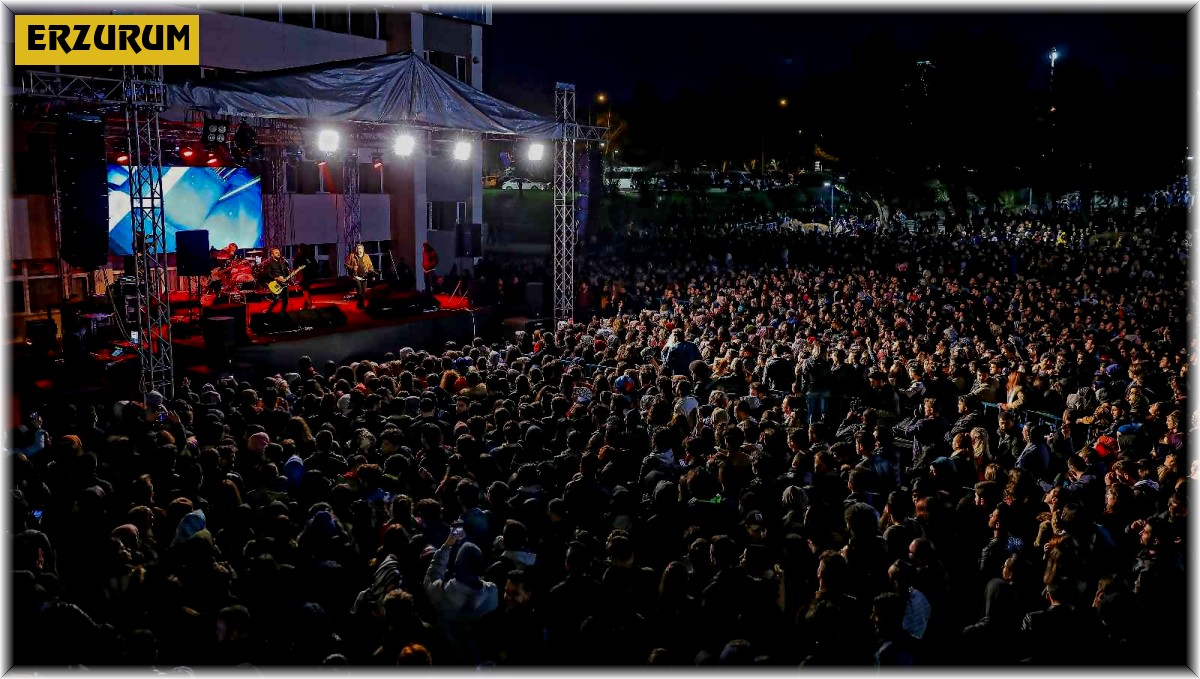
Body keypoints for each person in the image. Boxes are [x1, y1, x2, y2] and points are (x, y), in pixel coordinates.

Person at [263, 247, 292, 314]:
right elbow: (267, 274)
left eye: (279, 252)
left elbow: (287, 273)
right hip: (276, 284)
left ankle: (283, 313)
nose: (278, 254)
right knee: (276, 300)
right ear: (272, 255)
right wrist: (276, 278)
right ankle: (269, 311)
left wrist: (290, 274)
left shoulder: (283, 263)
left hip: (284, 284)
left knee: (286, 300)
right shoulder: (269, 263)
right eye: (276, 253)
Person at [345, 243, 375, 310]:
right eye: (358, 249)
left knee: (363, 292)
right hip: (356, 276)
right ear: (356, 250)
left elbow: (370, 266)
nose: (359, 250)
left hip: (364, 277)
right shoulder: (352, 256)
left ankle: (359, 305)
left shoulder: (366, 256)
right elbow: (346, 265)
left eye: (360, 249)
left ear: (363, 249)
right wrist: (352, 268)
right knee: (359, 291)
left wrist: (372, 275)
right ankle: (362, 305)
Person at [293, 243, 318, 310]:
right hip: (309, 276)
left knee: (305, 290)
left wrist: (297, 275)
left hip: (303, 276)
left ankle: (309, 304)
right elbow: (316, 265)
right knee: (306, 289)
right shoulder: (309, 255)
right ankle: (307, 304)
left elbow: (295, 267)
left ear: (300, 249)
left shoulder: (298, 256)